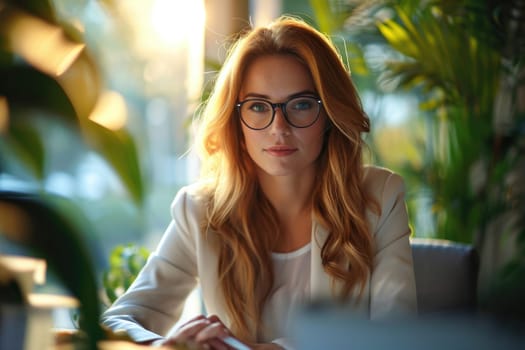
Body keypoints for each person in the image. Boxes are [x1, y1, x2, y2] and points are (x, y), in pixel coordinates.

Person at [101, 15, 417, 349]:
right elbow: (117, 321)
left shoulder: (379, 197)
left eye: (301, 104)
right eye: (257, 106)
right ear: (235, 120)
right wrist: (166, 347)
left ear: (329, 115)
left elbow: (395, 336)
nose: (278, 127)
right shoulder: (200, 210)